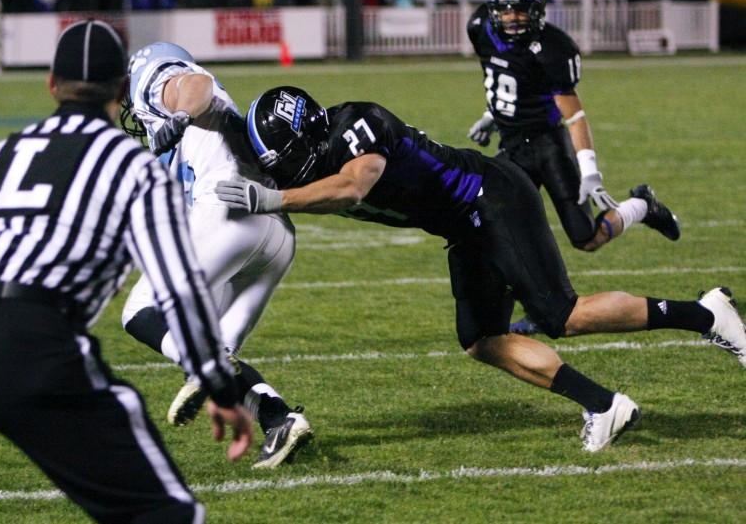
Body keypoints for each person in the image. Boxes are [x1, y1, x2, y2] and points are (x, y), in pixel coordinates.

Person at [217, 85, 746, 452]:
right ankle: (603, 405)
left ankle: (705, 315)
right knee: (481, 338)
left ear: (310, 133)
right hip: (463, 224)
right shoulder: (307, 150)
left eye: (285, 158)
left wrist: (273, 198)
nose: (280, 169)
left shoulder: (357, 124)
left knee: (561, 313)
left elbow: (353, 185)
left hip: (491, 198)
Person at [0, 21, 253, 524]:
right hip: (26, 340)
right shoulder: (130, 163)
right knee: (162, 514)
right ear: (122, 89)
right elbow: (179, 286)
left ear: (51, 83)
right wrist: (220, 386)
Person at [119, 42, 312, 469]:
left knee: (140, 311)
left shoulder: (157, 78)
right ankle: (280, 420)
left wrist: (180, 114)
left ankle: (202, 364)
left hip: (229, 215)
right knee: (219, 356)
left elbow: (195, 84)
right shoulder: (211, 119)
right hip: (275, 234)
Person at [465, 0, 681, 334]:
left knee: (586, 238)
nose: (513, 17)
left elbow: (575, 116)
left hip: (550, 147)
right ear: (494, 9)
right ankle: (536, 304)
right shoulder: (480, 27)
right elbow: (506, 76)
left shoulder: (555, 48)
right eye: (506, 9)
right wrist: (492, 115)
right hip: (513, 147)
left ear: (537, 10)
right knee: (498, 223)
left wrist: (590, 172)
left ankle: (641, 205)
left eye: (521, 9)